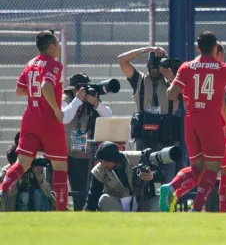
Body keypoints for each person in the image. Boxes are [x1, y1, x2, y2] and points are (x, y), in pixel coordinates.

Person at [160, 31, 226, 212]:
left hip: (191, 121)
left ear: (198, 48)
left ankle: (170, 187)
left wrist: (175, 81)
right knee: (212, 168)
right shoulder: (223, 68)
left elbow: (171, 94)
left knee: (196, 169)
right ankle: (197, 209)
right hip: (210, 122)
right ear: (215, 47)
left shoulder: (186, 67)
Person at [0, 30, 68, 211]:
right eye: (58, 44)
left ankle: (3, 190)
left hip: (30, 119)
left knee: (22, 163)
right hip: (49, 121)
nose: (59, 47)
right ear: (52, 46)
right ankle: (62, 210)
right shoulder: (54, 65)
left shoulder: (31, 63)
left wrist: (35, 95)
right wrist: (56, 109)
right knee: (60, 166)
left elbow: (19, 90)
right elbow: (46, 85)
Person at [170, 43, 226, 213]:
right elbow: (222, 98)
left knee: (199, 170)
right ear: (217, 52)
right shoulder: (218, 69)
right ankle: (221, 211)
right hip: (216, 123)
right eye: (221, 54)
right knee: (224, 169)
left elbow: (184, 100)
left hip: (194, 120)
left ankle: (174, 193)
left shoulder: (191, 69)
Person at [118, 46, 180, 184]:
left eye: (158, 66)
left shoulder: (172, 82)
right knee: (142, 176)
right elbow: (122, 60)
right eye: (152, 66)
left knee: (168, 178)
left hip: (166, 136)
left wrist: (169, 74)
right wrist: (147, 49)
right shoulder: (138, 80)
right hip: (144, 135)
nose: (155, 70)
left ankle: (166, 203)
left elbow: (179, 93)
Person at [62, 73, 113, 211]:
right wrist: (77, 100)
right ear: (74, 90)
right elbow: (64, 117)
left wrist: (96, 103)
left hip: (81, 154)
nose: (86, 90)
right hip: (62, 154)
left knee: (80, 195)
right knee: (59, 191)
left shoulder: (91, 102)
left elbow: (109, 115)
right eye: (82, 88)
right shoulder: (65, 98)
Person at [83, 141, 157, 212]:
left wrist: (151, 176)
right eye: (101, 161)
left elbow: (160, 174)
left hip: (140, 201)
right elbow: (92, 197)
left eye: (106, 161)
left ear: (115, 159)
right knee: (104, 199)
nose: (103, 164)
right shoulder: (99, 170)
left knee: (159, 201)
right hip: (117, 204)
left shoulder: (136, 158)